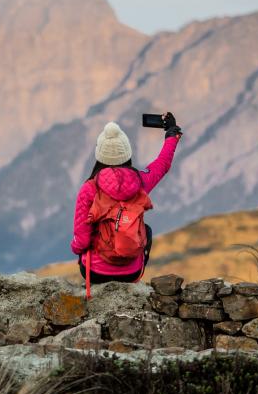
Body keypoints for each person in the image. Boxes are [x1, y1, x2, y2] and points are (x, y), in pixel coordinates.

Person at [71, 112, 182, 284]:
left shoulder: (89, 188)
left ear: (99, 155)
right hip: (132, 272)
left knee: (87, 237)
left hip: (95, 272)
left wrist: (75, 248)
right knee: (147, 230)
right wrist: (172, 134)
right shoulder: (140, 182)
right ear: (128, 153)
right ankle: (132, 270)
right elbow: (162, 164)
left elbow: (82, 240)